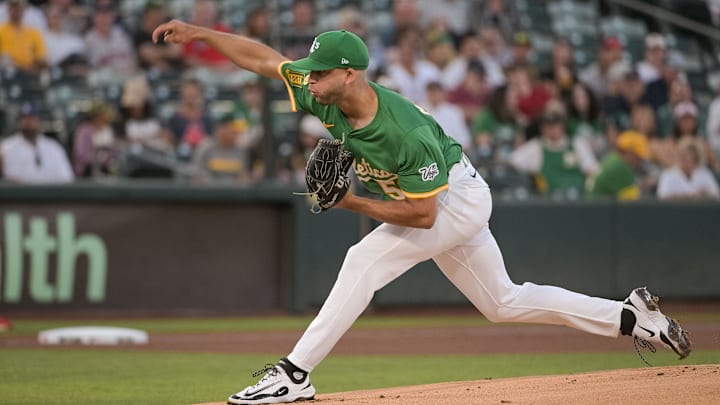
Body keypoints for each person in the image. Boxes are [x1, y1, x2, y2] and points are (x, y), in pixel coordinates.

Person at [152, 20, 692, 404]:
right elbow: (265, 59)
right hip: (443, 196)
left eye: (319, 73)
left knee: (364, 259)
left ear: (351, 74)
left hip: (452, 198)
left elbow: (425, 217)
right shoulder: (323, 91)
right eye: (310, 72)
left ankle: (295, 374)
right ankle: (630, 317)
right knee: (502, 302)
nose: (308, 79)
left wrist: (350, 202)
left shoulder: (401, 132)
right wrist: (203, 33)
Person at [1, 103, 74, 184]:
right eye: (24, 119)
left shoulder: (54, 147)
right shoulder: (5, 147)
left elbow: (67, 178)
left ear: (39, 121)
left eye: (32, 118)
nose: (28, 123)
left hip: (51, 194)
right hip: (17, 195)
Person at [588, 131, 648, 200]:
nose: (640, 160)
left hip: (593, 206)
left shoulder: (612, 158)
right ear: (629, 152)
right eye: (637, 156)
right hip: (598, 208)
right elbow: (633, 201)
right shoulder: (621, 167)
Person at [192, 115, 252, 183]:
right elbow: (198, 176)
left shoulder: (242, 150)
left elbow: (244, 176)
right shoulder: (205, 148)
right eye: (234, 132)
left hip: (235, 192)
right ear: (222, 130)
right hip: (210, 191)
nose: (238, 135)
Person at [0, 0, 47, 73]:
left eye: (19, 8)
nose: (16, 11)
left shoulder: (33, 33)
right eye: (13, 8)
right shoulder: (1, 31)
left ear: (23, 10)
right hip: (7, 72)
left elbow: (41, 57)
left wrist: (36, 64)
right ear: (8, 9)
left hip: (30, 72)